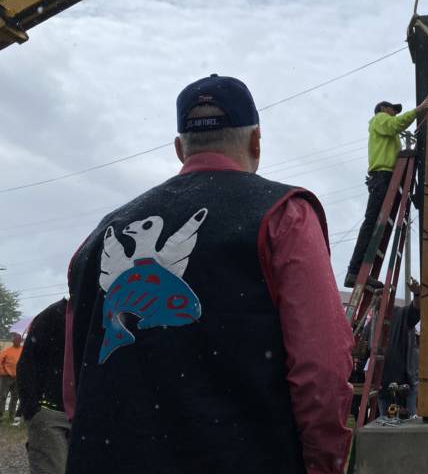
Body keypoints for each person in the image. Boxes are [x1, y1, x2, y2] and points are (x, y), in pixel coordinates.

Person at [65, 74, 353, 474]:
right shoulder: (283, 213)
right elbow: (321, 369)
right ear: (256, 142)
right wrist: (325, 464)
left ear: (179, 147)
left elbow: (76, 385)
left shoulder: (98, 237)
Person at [344, 98, 428, 288]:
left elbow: (395, 129)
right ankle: (354, 271)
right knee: (372, 224)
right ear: (382, 109)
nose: (394, 113)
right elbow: (395, 125)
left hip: (387, 177)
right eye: (392, 109)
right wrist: (419, 110)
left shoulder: (388, 132)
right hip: (382, 176)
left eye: (396, 110)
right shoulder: (379, 119)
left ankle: (362, 272)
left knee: (377, 226)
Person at [17, 298, 70, 473]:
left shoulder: (104, 316)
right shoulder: (53, 315)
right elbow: (28, 362)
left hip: (88, 415)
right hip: (50, 412)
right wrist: (32, 408)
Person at [377, 279, 421, 418]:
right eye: (376, 295)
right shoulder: (372, 323)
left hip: (405, 383)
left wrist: (417, 294)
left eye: (381, 294)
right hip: (383, 384)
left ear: (388, 297)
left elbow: (417, 308)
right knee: (386, 425)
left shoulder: (401, 314)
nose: (378, 298)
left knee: (409, 425)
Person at [0, 332, 23, 423]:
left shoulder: (23, 350)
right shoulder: (6, 351)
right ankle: (0, 415)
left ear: (21, 340)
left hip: (18, 378)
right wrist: (5, 372)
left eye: (19, 339)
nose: (17, 340)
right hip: (6, 378)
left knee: (15, 397)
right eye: (15, 339)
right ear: (12, 340)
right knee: (3, 396)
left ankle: (12, 415)